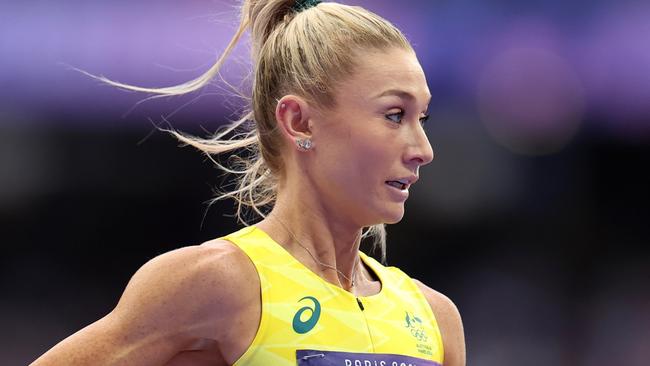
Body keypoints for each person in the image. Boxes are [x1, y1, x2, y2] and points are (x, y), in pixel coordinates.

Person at [32, 0, 465, 365]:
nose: (423, 149)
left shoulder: (434, 318)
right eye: (394, 115)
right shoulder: (218, 283)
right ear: (298, 121)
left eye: (421, 118)